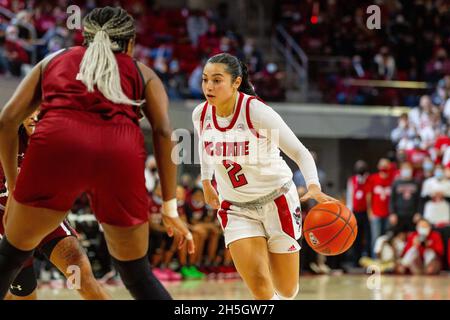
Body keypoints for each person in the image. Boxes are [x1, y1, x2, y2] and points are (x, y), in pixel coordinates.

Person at [0, 7, 194, 300]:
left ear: (84, 39)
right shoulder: (142, 71)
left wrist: (17, 188)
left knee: (9, 259)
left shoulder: (55, 60)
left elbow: (6, 120)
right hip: (119, 151)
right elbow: (165, 134)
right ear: (130, 44)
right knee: (137, 275)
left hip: (57, 146)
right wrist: (170, 209)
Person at [192, 52, 336, 300]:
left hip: (277, 200)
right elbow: (205, 147)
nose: (209, 86)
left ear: (236, 82)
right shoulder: (201, 114)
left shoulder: (256, 112)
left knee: (287, 289)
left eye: (217, 80)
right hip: (236, 207)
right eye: (205, 80)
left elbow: (299, 152)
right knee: (259, 286)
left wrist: (313, 185)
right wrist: (206, 181)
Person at [0, 113, 110, 300]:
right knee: (25, 295)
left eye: (41, 110)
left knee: (81, 275)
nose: (34, 116)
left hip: (43, 217)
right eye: (30, 109)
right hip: (5, 221)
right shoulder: (7, 135)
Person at [346, 160, 371, 266]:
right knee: (357, 237)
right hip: (356, 212)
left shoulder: (369, 179)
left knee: (368, 237)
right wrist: (349, 212)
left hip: (367, 212)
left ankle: (368, 259)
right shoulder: (352, 180)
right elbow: (349, 196)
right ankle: (356, 260)